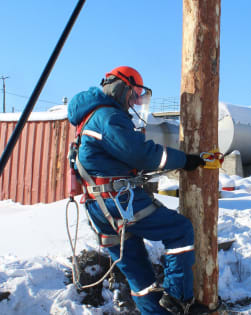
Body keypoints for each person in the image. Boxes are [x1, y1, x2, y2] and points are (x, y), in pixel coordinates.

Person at [67, 66, 210, 314]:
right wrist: (184, 160)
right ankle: (179, 300)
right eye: (133, 95)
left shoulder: (88, 118)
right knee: (180, 230)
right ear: (120, 88)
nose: (134, 102)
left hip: (98, 207)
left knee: (141, 278)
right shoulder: (108, 117)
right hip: (118, 202)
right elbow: (140, 154)